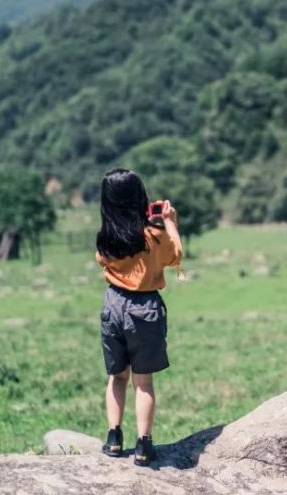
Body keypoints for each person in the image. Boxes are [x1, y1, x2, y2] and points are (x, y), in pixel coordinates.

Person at [95, 169, 182, 467]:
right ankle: (144, 446)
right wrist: (169, 222)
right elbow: (175, 254)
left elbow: (102, 260)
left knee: (117, 377)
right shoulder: (154, 236)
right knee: (143, 382)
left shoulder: (106, 239)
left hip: (113, 305)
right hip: (145, 309)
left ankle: (114, 437)